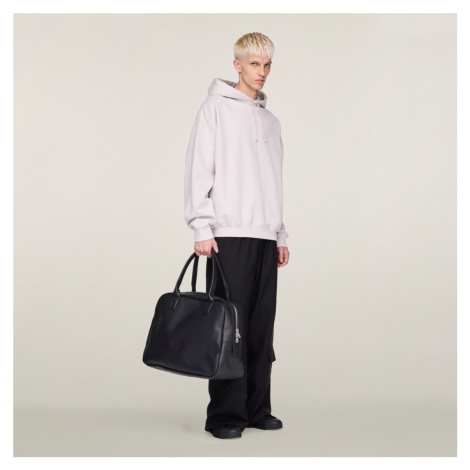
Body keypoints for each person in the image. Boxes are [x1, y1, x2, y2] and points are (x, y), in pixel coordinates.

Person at [183, 32, 290, 439]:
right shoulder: (214, 109)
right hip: (228, 234)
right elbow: (199, 168)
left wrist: (280, 234)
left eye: (267, 65)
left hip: (265, 236)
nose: (261, 72)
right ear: (237, 65)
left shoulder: (271, 121)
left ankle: (257, 408)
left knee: (261, 326)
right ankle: (226, 415)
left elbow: (274, 181)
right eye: (254, 64)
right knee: (230, 328)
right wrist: (201, 226)